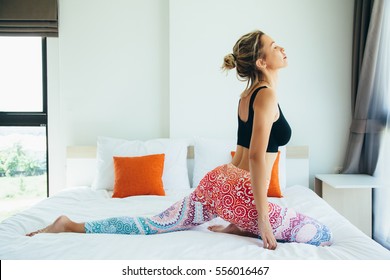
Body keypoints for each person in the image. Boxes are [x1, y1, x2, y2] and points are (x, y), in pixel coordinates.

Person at [27, 30, 332, 250]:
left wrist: (239, 216)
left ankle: (71, 225)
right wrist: (262, 219)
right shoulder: (266, 96)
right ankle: (244, 222)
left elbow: (241, 154)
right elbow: (254, 157)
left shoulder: (247, 95)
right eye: (275, 46)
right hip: (240, 188)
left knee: (155, 222)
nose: (282, 49)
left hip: (221, 182)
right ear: (262, 62)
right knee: (321, 234)